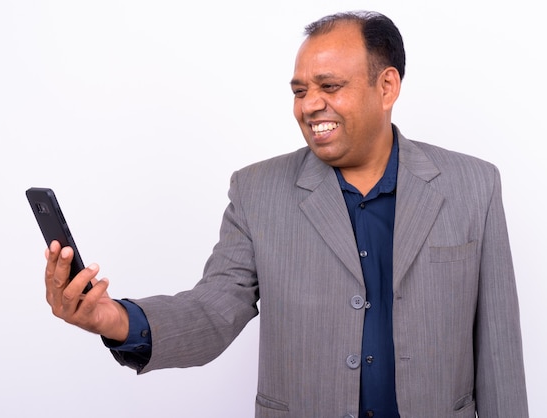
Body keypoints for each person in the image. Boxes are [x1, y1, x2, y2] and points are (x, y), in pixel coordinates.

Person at [44, 10, 529, 418]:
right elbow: (213, 311)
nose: (310, 105)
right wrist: (115, 319)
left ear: (387, 87)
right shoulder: (256, 191)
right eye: (300, 91)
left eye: (330, 86)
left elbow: (499, 352)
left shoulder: (474, 185)